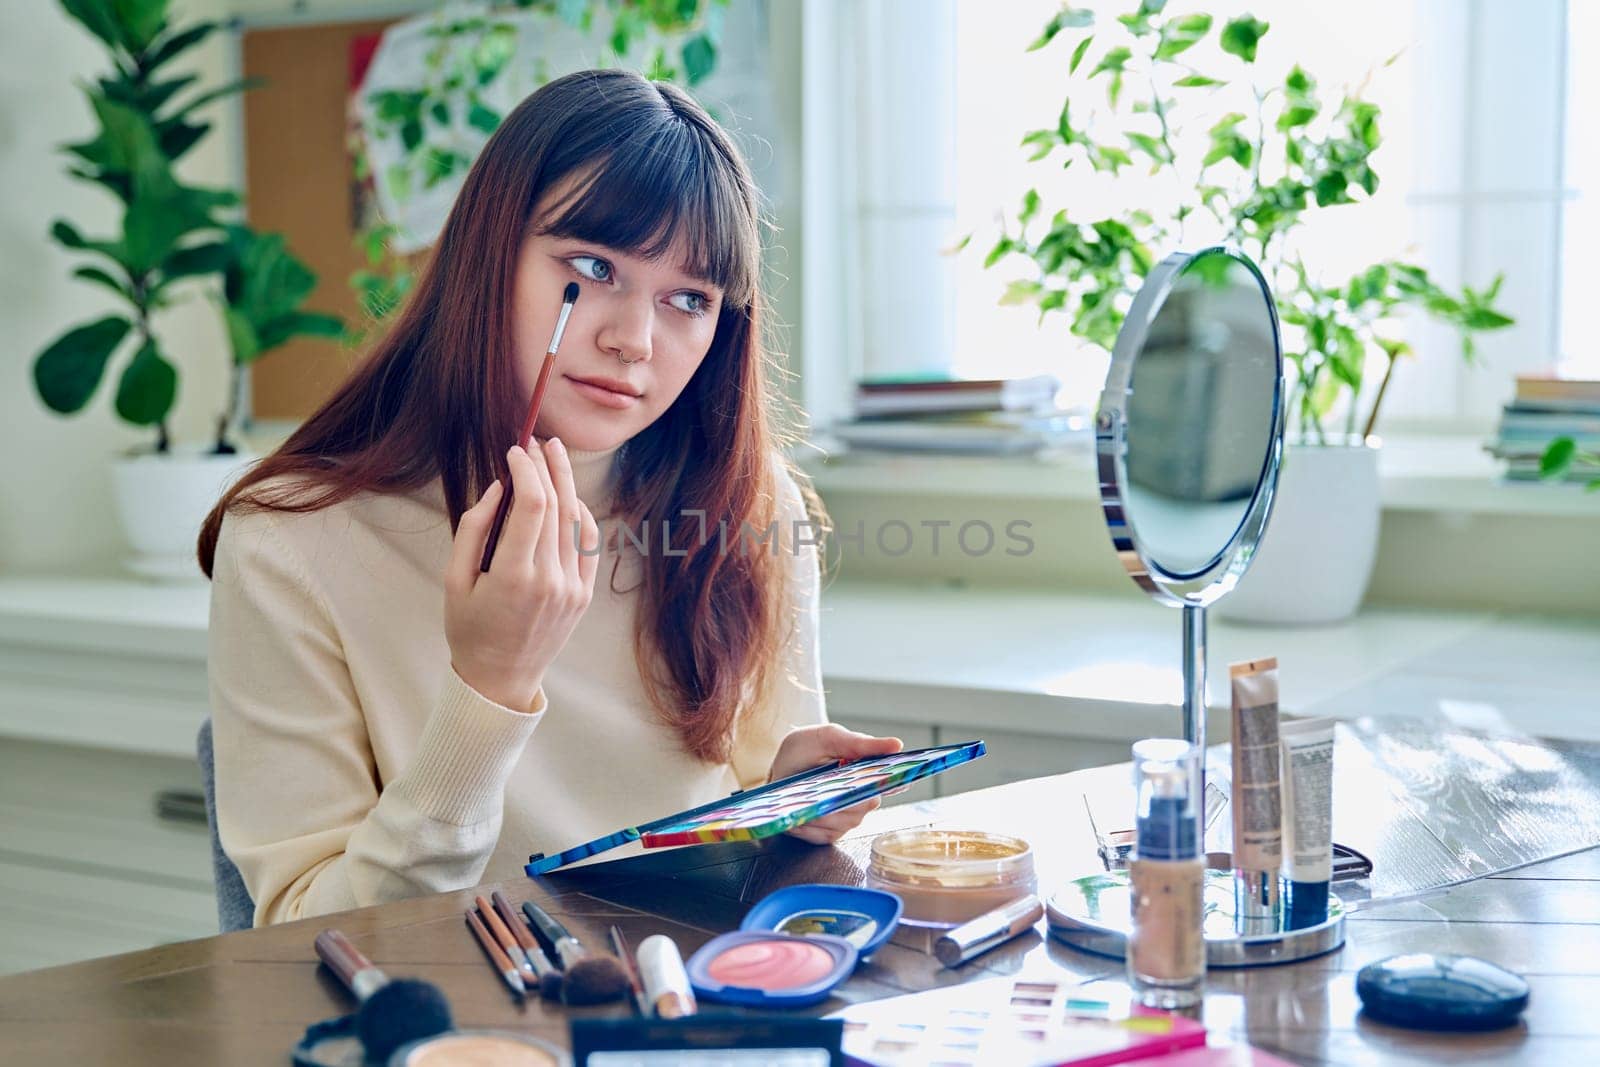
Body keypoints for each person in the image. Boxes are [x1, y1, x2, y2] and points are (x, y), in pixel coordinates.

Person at [197, 68, 900, 927]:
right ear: (488, 253)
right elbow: (304, 941)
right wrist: (490, 684)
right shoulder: (291, 541)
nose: (633, 340)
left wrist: (786, 805)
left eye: (689, 298)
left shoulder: (749, 504)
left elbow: (742, 826)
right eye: (593, 266)